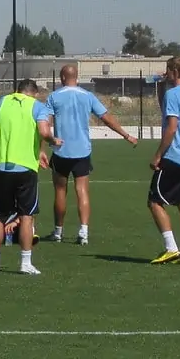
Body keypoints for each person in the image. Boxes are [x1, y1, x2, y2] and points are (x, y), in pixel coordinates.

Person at [45, 65, 137, 245]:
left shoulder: (54, 97)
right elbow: (106, 117)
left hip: (61, 150)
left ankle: (58, 232)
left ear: (62, 77)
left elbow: (45, 124)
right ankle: (83, 232)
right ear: (76, 77)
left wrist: (47, 142)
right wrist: (126, 135)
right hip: (82, 151)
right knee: (82, 190)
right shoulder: (87, 96)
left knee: (60, 191)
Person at [0, 79, 61, 274]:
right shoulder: (37, 106)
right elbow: (44, 131)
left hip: (2, 165)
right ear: (33, 93)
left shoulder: (2, 101)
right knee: (27, 216)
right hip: (26, 167)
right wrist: (53, 140)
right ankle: (25, 264)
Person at [148, 57, 180, 265]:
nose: (166, 73)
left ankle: (171, 248)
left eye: (169, 71)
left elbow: (171, 127)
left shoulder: (172, 94)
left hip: (174, 156)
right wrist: (161, 87)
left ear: (175, 72)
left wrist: (158, 154)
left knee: (154, 202)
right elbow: (167, 110)